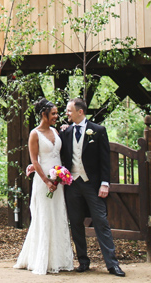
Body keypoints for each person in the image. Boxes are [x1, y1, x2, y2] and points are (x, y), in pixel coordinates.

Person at [60, 97, 125, 276]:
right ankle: (83, 261)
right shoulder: (65, 132)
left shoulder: (98, 131)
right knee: (76, 223)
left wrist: (105, 183)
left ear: (80, 112)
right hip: (72, 185)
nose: (67, 114)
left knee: (101, 222)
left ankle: (112, 264)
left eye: (69, 111)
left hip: (92, 185)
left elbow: (105, 159)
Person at [14, 98, 74, 275]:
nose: (56, 116)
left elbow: (59, 153)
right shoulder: (34, 134)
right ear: (43, 114)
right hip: (44, 182)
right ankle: (41, 259)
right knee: (44, 216)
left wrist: (59, 177)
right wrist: (47, 181)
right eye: (53, 113)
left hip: (58, 181)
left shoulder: (56, 131)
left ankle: (59, 259)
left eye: (57, 113)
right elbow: (34, 159)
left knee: (58, 215)